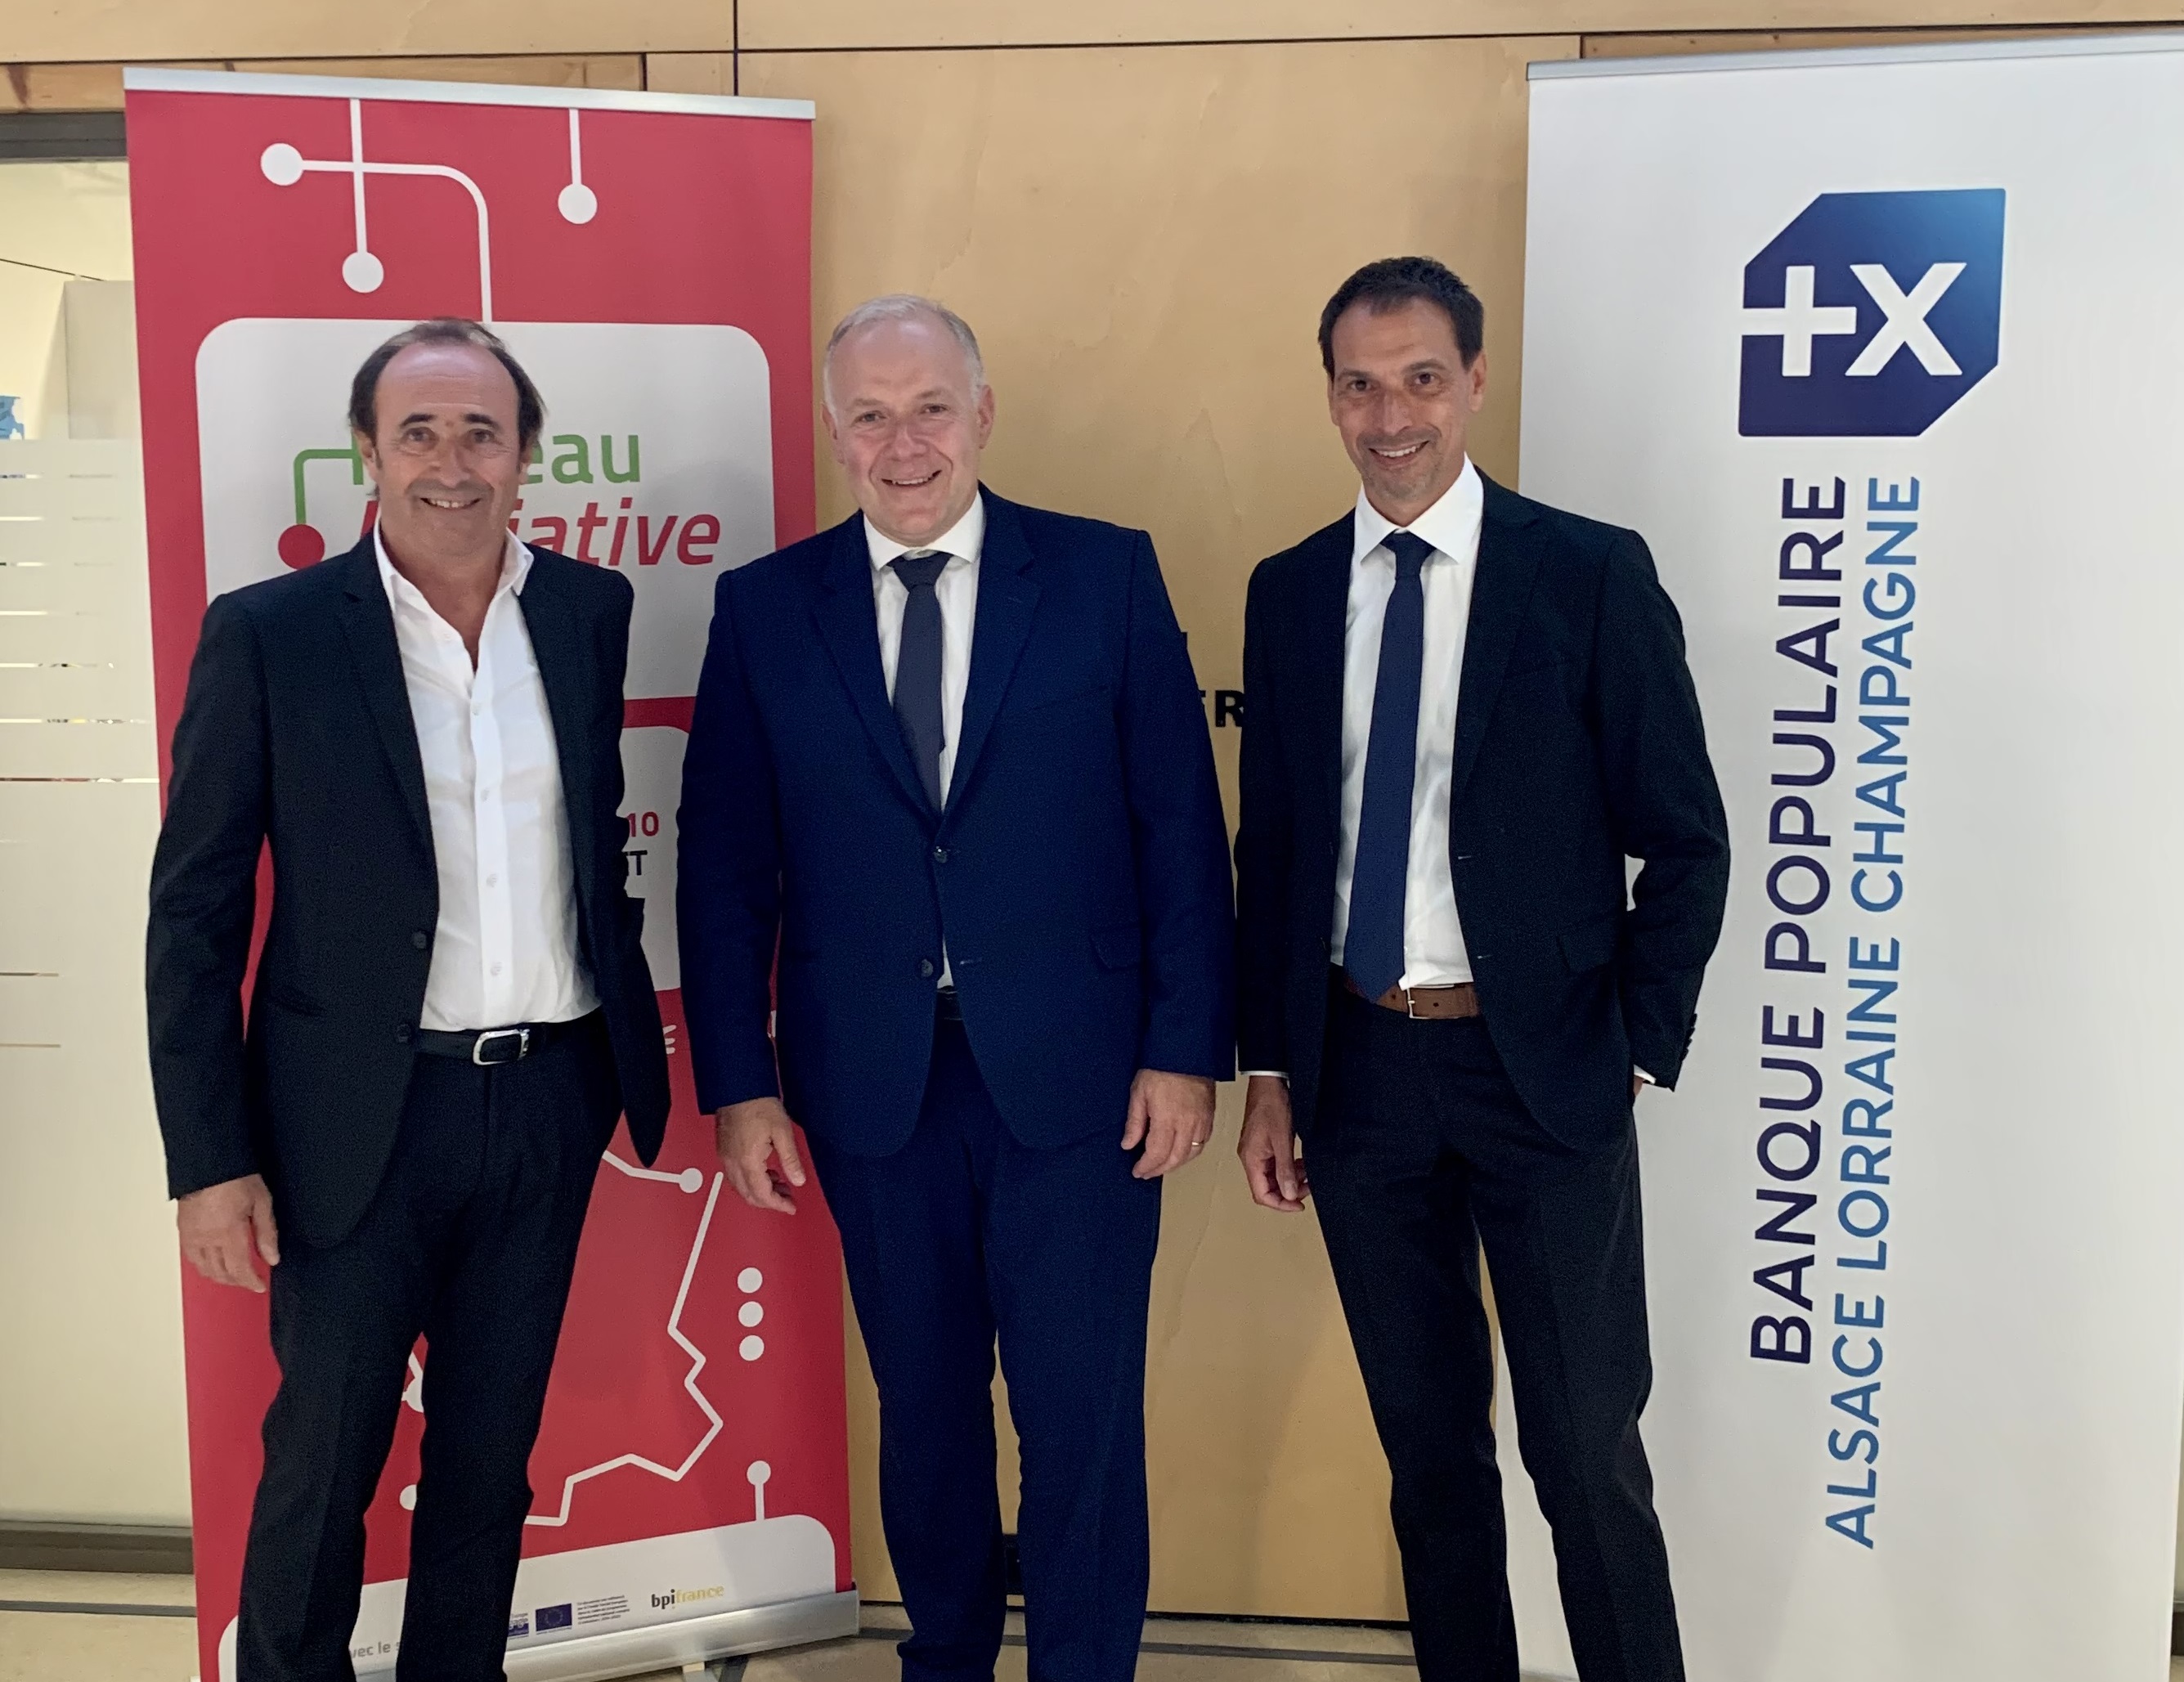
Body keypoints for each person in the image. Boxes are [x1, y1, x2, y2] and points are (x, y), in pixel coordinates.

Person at [678, 295, 1233, 1682]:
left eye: (930, 408)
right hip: (873, 1085)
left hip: (1084, 1084)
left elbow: (1180, 827)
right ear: (834, 432)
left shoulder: (1103, 576)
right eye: (870, 415)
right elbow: (726, 868)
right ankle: (946, 1659)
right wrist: (741, 1086)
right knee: (923, 1410)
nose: (903, 442)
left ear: (982, 414)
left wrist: (1185, 1048)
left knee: (1079, 1417)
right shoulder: (766, 609)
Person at [147, 318, 670, 1680]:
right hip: (351, 1122)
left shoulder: (587, 609)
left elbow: (590, 841)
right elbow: (194, 915)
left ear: (526, 453)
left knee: (490, 1461)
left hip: (546, 1100)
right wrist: (209, 1160)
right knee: (323, 1465)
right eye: (419, 432)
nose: (451, 462)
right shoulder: (270, 634)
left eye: (481, 432)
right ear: (366, 453)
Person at [1231, 257, 1729, 1682]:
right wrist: (1271, 1067)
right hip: (1360, 1073)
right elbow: (1277, 850)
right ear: (1331, 395)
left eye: (1421, 379)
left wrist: (1633, 1045)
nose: (1391, 416)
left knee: (1585, 1454)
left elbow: (1686, 838)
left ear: (1476, 381)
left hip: (1545, 1071)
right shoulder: (1289, 591)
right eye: (1360, 384)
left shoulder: (1587, 574)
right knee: (1432, 1456)